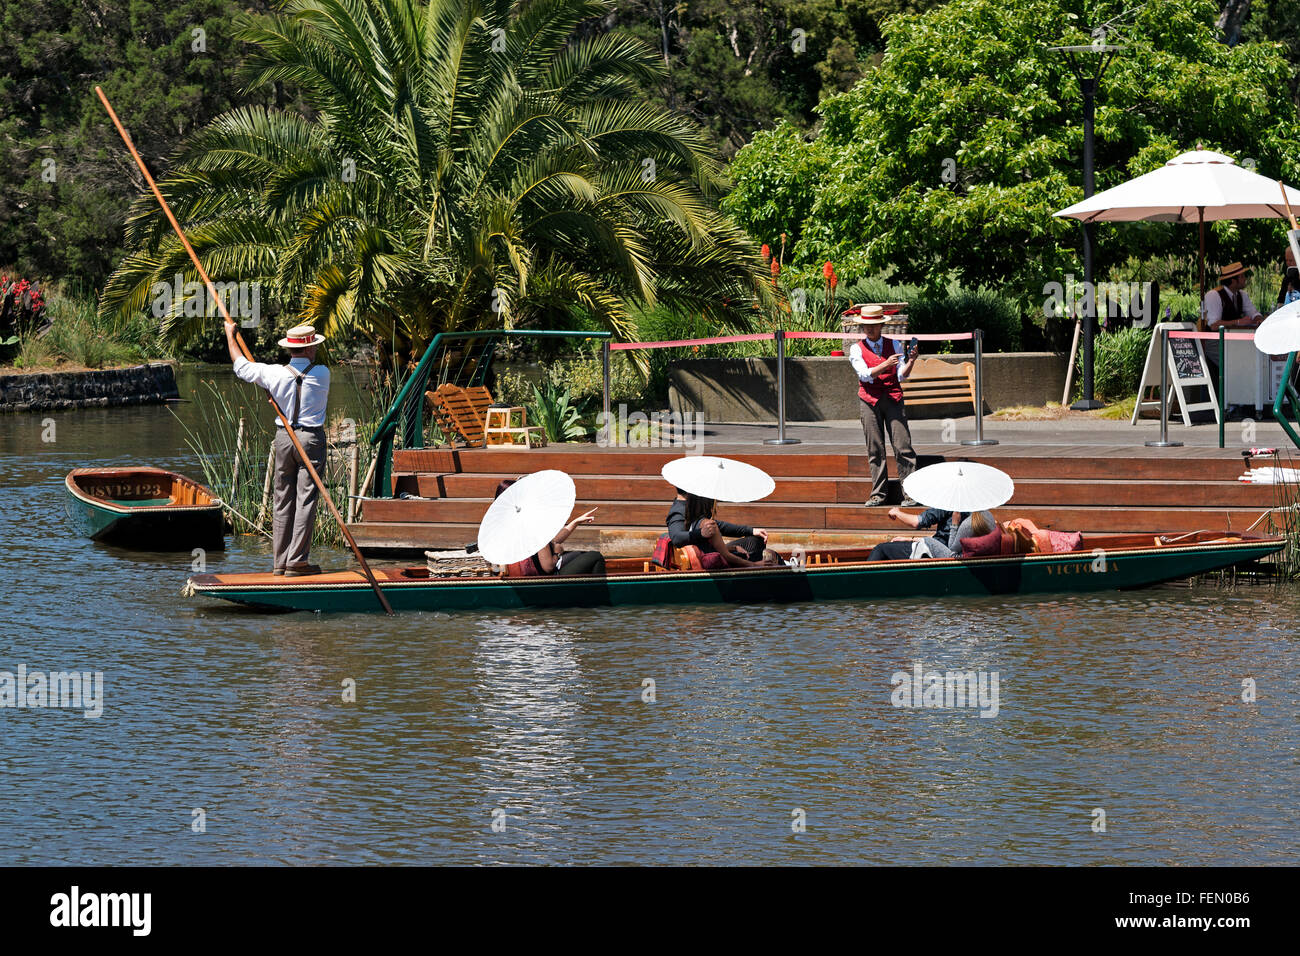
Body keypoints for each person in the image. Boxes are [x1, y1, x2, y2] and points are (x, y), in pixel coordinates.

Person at [226, 320, 330, 576]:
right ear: (309, 349)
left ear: (291, 349)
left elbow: (241, 367)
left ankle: (280, 563)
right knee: (305, 500)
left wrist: (231, 336)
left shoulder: (273, 373)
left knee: (282, 499)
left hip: (284, 438)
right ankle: (297, 561)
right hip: (310, 439)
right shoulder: (323, 373)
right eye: (314, 346)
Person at [848, 305, 918, 507]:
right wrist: (885, 364)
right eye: (866, 326)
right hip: (869, 400)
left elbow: (901, 375)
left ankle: (911, 493)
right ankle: (878, 493)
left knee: (902, 445)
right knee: (875, 448)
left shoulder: (895, 345)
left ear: (880, 325)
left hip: (893, 398)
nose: (869, 329)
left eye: (873, 325)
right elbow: (864, 375)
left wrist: (911, 361)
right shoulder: (856, 349)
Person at [493, 479, 606, 576]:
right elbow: (548, 567)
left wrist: (575, 522)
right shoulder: (530, 526)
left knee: (580, 555)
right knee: (595, 556)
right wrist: (557, 552)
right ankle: (597, 597)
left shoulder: (505, 526)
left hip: (529, 578)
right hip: (546, 580)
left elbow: (552, 541)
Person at [666, 489, 768, 567]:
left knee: (753, 540)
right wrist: (755, 565)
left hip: (710, 554)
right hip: (719, 562)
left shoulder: (692, 513)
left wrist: (750, 530)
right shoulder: (679, 511)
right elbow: (677, 538)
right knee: (767, 553)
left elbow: (719, 528)